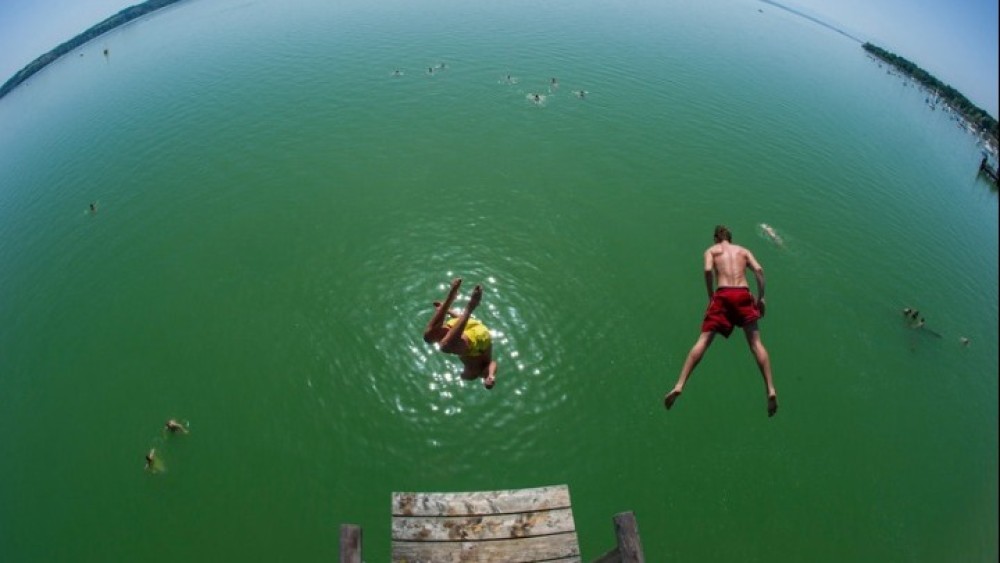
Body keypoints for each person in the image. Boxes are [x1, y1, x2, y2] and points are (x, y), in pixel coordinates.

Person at [665, 225, 778, 416]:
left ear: (716, 238)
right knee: (756, 344)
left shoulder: (712, 250)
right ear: (730, 239)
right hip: (743, 294)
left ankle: (679, 385)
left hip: (723, 294)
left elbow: (708, 270)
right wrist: (762, 298)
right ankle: (770, 389)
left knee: (702, 342)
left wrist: (711, 297)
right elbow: (759, 270)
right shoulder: (743, 251)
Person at [423, 278, 498, 389]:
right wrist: (491, 375)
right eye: (465, 373)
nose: (463, 373)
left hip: (465, 327)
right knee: (445, 346)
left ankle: (450, 298)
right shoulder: (478, 372)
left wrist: (449, 311)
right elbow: (492, 363)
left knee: (429, 338)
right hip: (480, 338)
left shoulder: (470, 368)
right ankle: (470, 306)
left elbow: (463, 323)